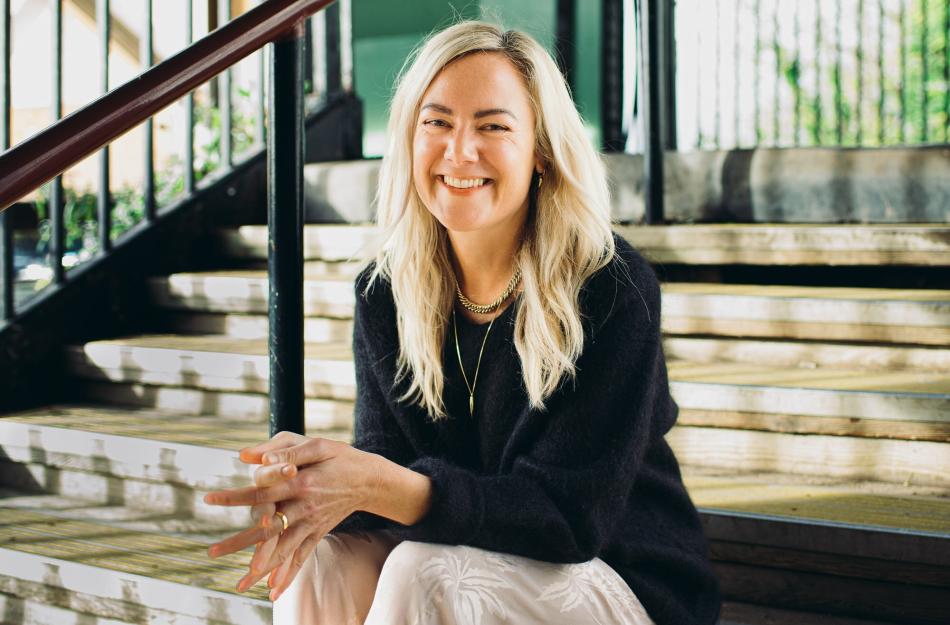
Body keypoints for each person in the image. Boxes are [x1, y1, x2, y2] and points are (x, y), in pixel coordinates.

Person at [204, 20, 721, 625]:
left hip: (624, 578)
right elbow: (387, 462)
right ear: (409, 138)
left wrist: (381, 486)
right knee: (320, 561)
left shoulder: (609, 287)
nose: (459, 151)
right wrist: (323, 481)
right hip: (469, 560)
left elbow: (570, 519)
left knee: (422, 570)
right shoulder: (385, 291)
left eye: (494, 126)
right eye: (438, 122)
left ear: (542, 152)